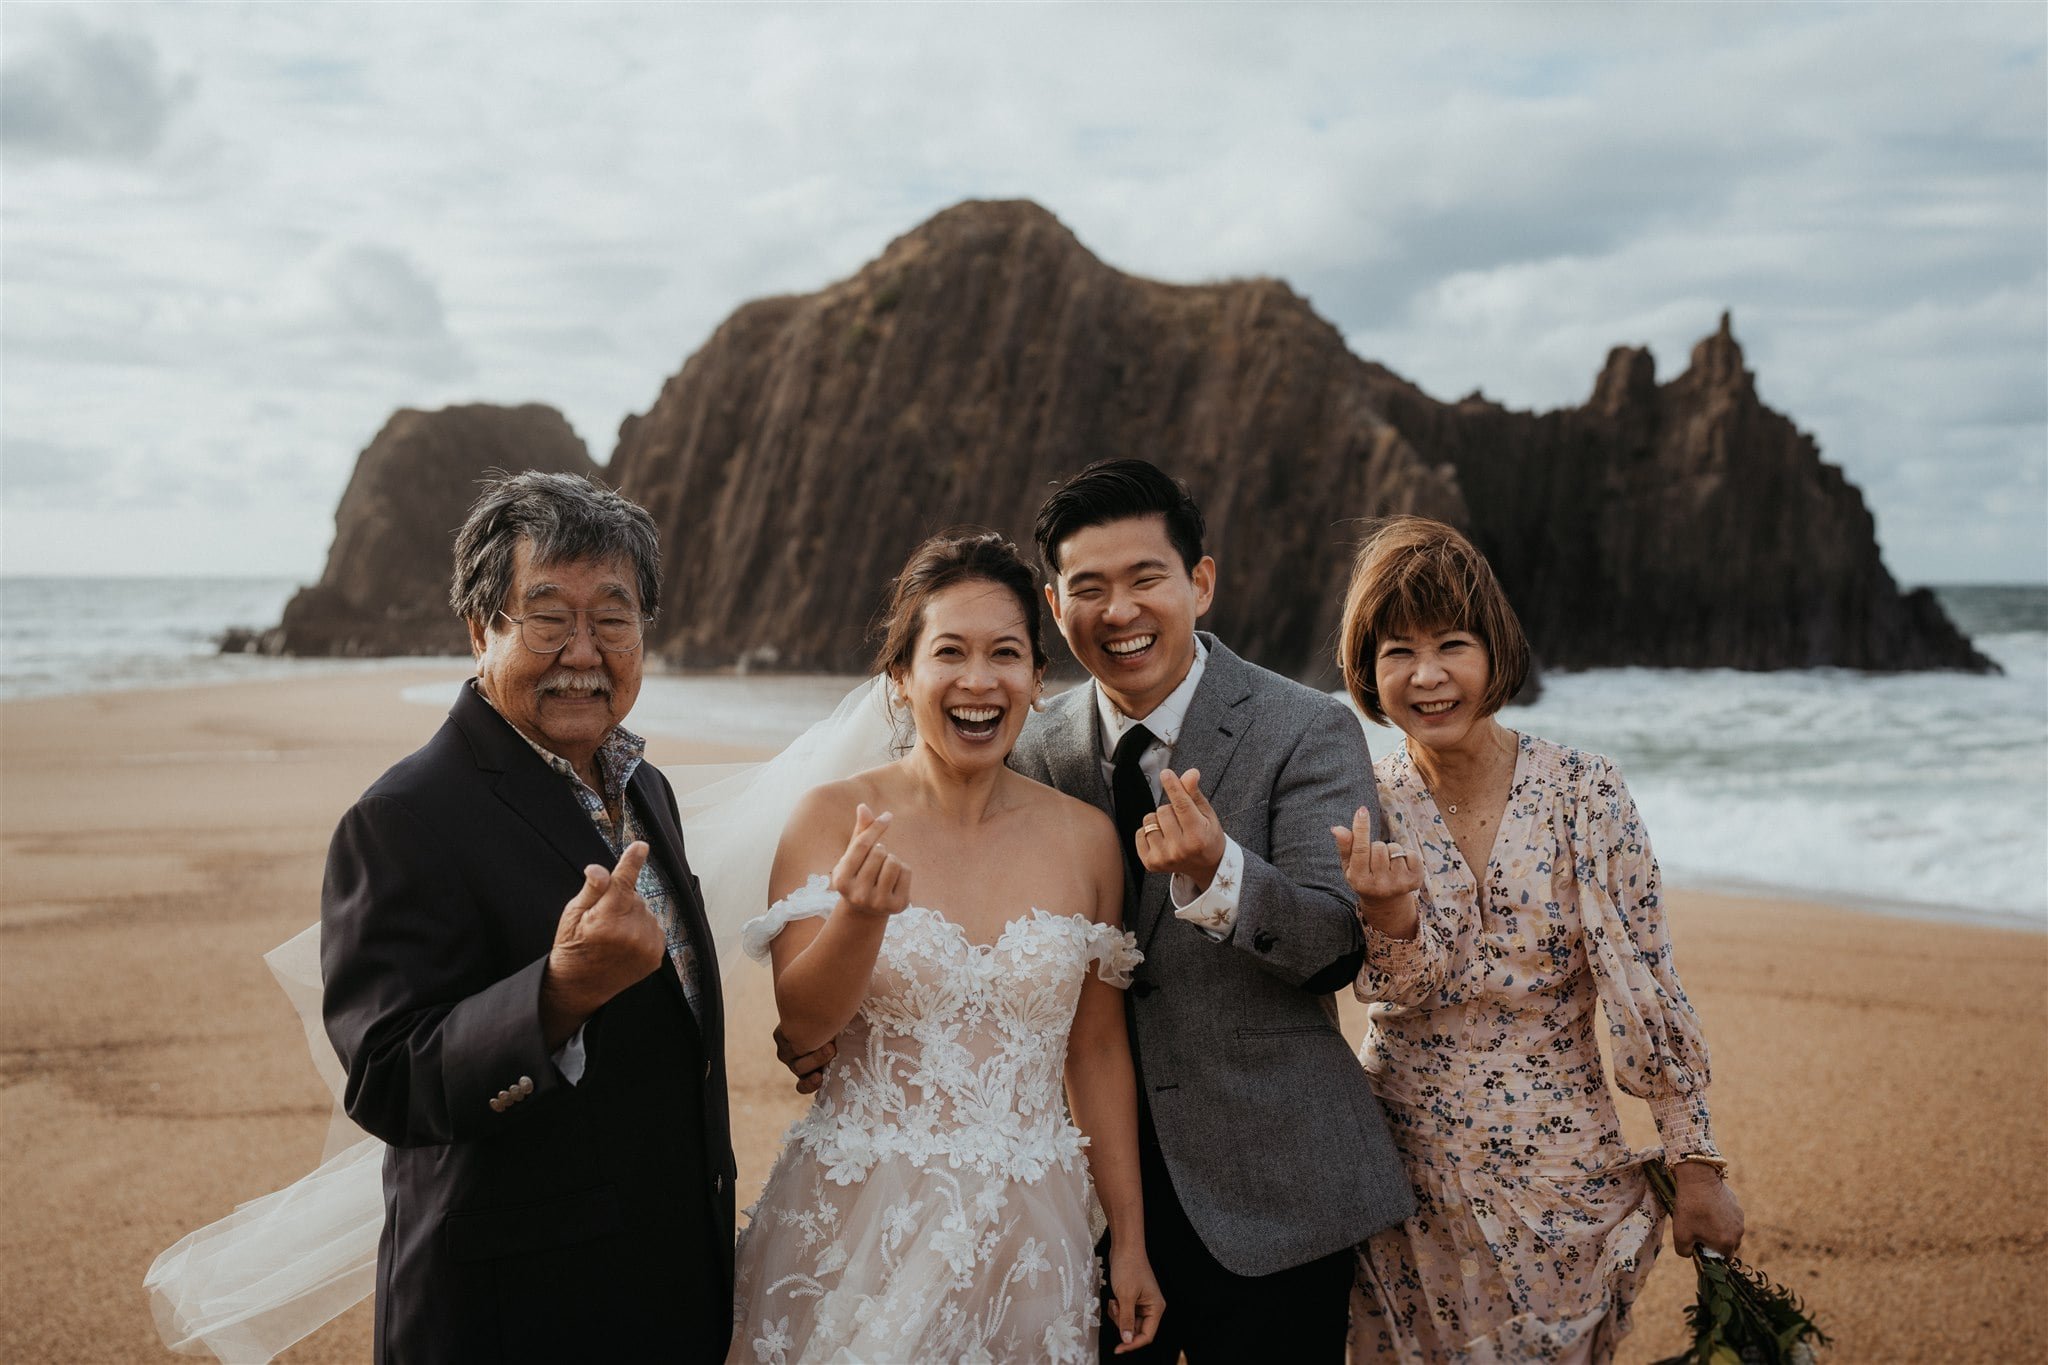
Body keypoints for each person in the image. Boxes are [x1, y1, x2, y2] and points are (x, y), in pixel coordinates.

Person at [319, 471, 736, 1361]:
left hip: (665, 1283)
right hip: (512, 1310)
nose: (583, 650)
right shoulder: (403, 815)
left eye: (612, 619)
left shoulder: (643, 784)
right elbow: (386, 1076)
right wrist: (559, 991)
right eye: (547, 617)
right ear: (481, 628)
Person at [1007, 459, 1417, 1362]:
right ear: (1053, 601)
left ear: (1200, 581)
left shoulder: (1308, 727)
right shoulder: (1031, 749)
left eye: (1145, 578)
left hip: (1275, 1191)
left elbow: (1335, 946)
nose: (1119, 611)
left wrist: (1221, 873)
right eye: (1089, 588)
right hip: (1083, 1201)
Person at [731, 529, 1165, 1364]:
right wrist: (859, 918)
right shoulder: (829, 817)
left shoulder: (1087, 840)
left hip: (1031, 1232)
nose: (978, 680)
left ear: (1038, 682)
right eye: (950, 653)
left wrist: (1130, 1241)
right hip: (857, 1223)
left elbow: (1099, 1049)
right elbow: (804, 1022)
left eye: (1006, 654)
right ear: (902, 678)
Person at [1335, 516, 1745, 1364]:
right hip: (1403, 1176)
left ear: (1496, 653)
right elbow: (1389, 984)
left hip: (1562, 1177)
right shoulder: (1360, 798)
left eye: (1453, 643)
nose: (1428, 674)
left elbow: (1649, 982)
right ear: (1368, 672)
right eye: (1397, 652)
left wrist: (1695, 1161)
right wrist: (1387, 917)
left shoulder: (1585, 792)